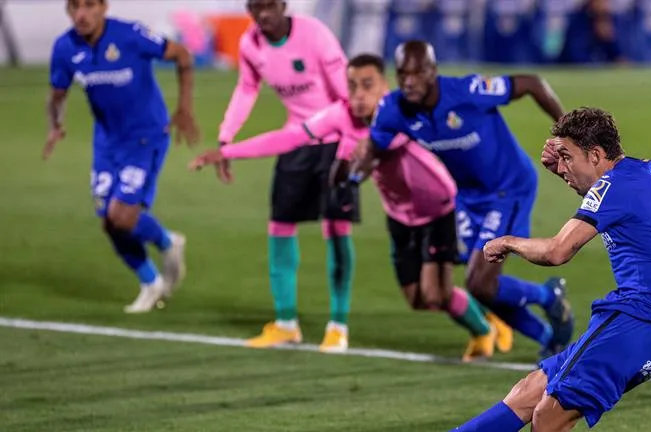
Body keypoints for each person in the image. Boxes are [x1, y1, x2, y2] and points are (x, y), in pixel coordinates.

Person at [352, 107, 651, 432]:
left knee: (550, 415)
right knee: (530, 392)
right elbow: (608, 194)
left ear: (596, 153)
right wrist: (575, 166)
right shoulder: (642, 172)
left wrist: (507, 242)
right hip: (641, 321)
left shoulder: (615, 185)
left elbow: (555, 252)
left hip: (638, 320)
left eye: (568, 158)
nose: (562, 168)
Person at [191, 54, 501, 361]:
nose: (358, 95)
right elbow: (291, 137)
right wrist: (228, 151)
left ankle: (484, 330)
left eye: (367, 85)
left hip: (438, 209)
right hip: (399, 214)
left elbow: (370, 154)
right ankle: (483, 314)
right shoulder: (340, 114)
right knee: (417, 299)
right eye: (352, 87)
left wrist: (345, 161)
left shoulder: (401, 113)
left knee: (436, 293)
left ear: (385, 86)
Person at [357, 40, 575, 361]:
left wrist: (567, 135)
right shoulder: (394, 109)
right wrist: (351, 176)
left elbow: (532, 84)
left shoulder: (468, 91)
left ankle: (547, 296)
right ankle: (548, 339)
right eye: (403, 73)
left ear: (433, 71)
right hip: (467, 199)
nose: (409, 81)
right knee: (483, 288)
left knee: (479, 283)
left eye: (417, 73)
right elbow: (373, 149)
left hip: (507, 188)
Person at [217, 0, 354, 352]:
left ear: (283, 5)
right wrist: (225, 137)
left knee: (336, 227)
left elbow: (348, 96)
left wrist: (350, 147)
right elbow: (247, 88)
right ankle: (285, 323)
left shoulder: (316, 35)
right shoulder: (250, 44)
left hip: (334, 140)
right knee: (279, 225)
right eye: (255, 7)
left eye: (268, 6)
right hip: (295, 140)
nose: (262, 14)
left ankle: (338, 326)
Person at [45, 0, 196, 313]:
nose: (82, 14)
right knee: (109, 223)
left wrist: (184, 108)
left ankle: (167, 243)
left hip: (145, 135)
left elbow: (182, 55)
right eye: (75, 7)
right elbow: (58, 93)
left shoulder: (130, 35)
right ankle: (151, 281)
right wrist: (55, 126)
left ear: (103, 7)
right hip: (107, 143)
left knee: (122, 215)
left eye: (89, 6)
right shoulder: (65, 47)